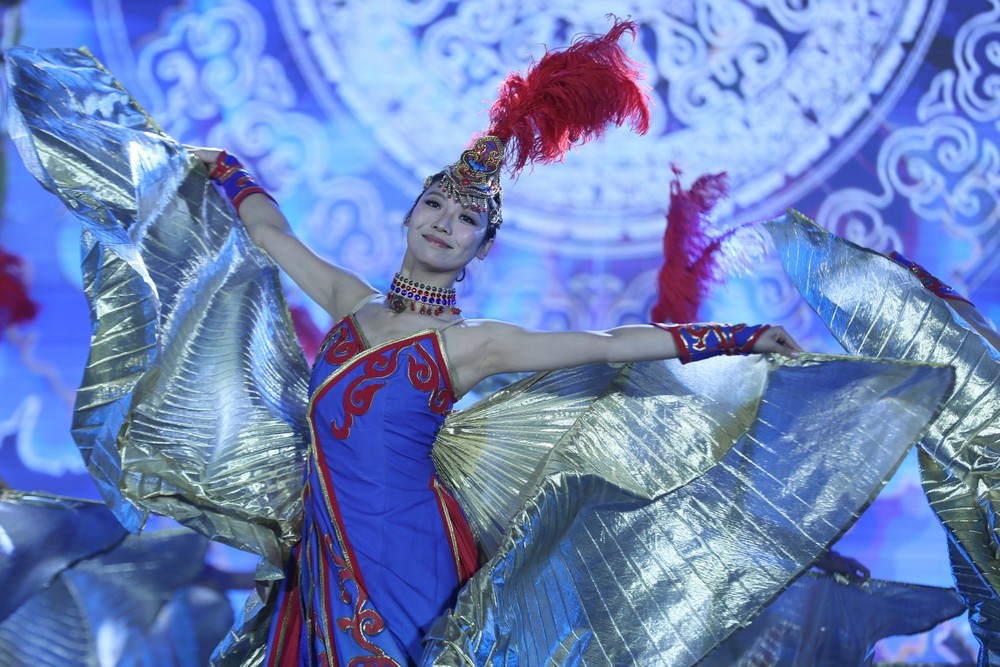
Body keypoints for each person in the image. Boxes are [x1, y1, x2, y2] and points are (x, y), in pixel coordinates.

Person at [187, 21, 802, 666]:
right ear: (409, 215)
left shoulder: (470, 346)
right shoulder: (349, 301)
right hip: (324, 552)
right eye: (434, 205)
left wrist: (739, 336)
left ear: (481, 248)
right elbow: (272, 234)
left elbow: (608, 344)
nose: (444, 224)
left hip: (405, 559)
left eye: (467, 219)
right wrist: (228, 170)